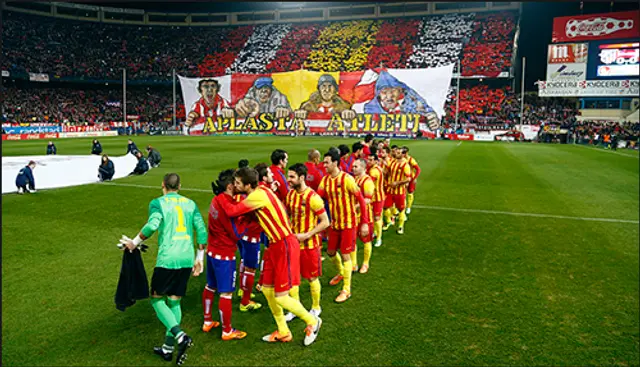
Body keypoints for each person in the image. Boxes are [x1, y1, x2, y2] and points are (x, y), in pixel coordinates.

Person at [216, 167, 322, 346]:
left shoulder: (257, 196)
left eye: (238, 183)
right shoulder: (261, 190)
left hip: (284, 245)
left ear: (248, 185)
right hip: (275, 245)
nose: (235, 185)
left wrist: (221, 197)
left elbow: (232, 212)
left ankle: (313, 321)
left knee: (281, 296)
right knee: (267, 289)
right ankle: (283, 331)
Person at [118, 173, 207, 366]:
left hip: (168, 259)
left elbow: (152, 225)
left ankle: (180, 336)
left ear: (163, 186)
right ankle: (167, 348)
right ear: (179, 186)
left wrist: (134, 243)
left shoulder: (158, 203)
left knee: (157, 299)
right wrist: (199, 258)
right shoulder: (190, 204)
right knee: (174, 302)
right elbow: (201, 229)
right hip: (185, 258)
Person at [316, 150, 369, 303]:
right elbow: (317, 198)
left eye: (326, 162)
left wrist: (364, 222)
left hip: (348, 224)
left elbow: (362, 200)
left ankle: (346, 290)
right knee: (331, 252)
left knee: (346, 255)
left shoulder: (347, 179)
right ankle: (341, 273)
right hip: (335, 224)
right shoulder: (325, 180)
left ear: (335, 163)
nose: (324, 165)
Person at [201, 169, 249, 340]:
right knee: (226, 293)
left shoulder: (216, 199)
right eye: (235, 183)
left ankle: (207, 321)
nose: (237, 185)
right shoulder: (227, 206)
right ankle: (227, 330)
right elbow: (236, 234)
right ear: (229, 186)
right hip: (225, 255)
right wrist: (247, 220)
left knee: (210, 286)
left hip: (212, 251)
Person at [283, 163, 330, 322]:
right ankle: (295, 308)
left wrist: (307, 234)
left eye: (292, 177)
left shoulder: (313, 197)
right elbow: (288, 216)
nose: (288, 180)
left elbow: (325, 222)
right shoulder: (290, 195)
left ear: (301, 178)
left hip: (309, 245)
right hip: (294, 244)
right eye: (288, 176)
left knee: (311, 278)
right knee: (293, 278)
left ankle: (316, 307)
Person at [352, 158, 375, 273]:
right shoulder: (355, 179)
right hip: (354, 216)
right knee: (352, 240)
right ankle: (354, 264)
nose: (353, 168)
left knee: (366, 240)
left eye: (356, 166)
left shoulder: (367, 181)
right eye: (353, 166)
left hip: (365, 216)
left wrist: (353, 207)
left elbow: (367, 200)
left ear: (363, 167)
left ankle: (365, 263)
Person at [385, 147, 412, 235]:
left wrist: (398, 182)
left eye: (399, 153)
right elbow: (387, 172)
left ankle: (400, 226)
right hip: (390, 189)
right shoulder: (392, 162)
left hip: (399, 191)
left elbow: (408, 178)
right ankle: (389, 221)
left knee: (401, 209)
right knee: (385, 207)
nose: (396, 154)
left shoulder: (405, 165)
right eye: (396, 152)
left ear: (403, 154)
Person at [366, 147, 385, 248]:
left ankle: (378, 238)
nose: (368, 162)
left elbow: (369, 184)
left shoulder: (374, 171)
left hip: (377, 197)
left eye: (371, 160)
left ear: (376, 161)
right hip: (376, 196)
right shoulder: (375, 168)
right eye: (368, 159)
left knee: (376, 217)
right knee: (374, 217)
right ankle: (375, 233)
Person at [403, 146, 421, 215]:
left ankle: (409, 207)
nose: (402, 154)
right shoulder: (400, 159)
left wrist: (415, 178)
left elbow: (418, 169)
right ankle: (402, 207)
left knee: (410, 192)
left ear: (407, 153)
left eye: (404, 152)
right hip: (402, 178)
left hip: (410, 178)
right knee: (402, 193)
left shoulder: (411, 160)